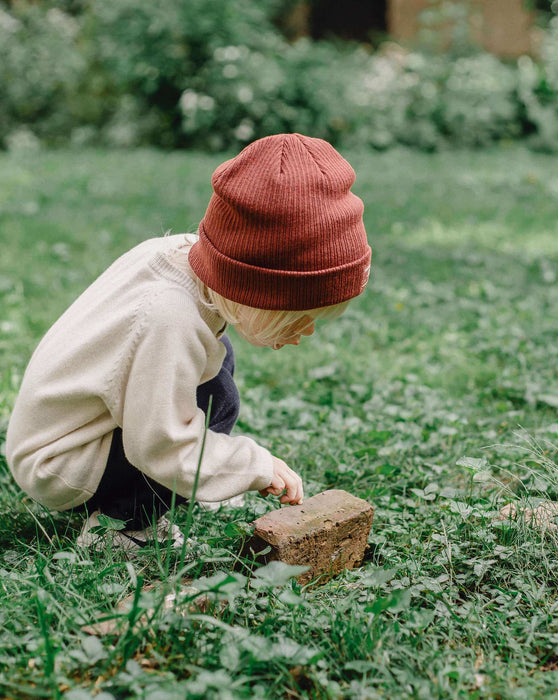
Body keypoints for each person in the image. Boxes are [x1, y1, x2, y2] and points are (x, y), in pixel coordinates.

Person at [5, 133, 371, 549]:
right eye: (299, 317)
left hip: (82, 427)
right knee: (211, 404)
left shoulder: (187, 262)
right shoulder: (167, 318)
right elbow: (160, 446)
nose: (305, 332)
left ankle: (193, 478)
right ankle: (121, 526)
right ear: (255, 287)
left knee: (217, 377)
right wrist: (253, 465)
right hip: (60, 460)